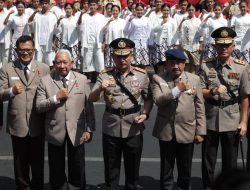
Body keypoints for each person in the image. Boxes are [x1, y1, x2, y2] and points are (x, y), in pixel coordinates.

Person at [89, 38, 152, 190]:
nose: (122, 59)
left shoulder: (142, 75)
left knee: (133, 168)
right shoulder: (104, 75)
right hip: (111, 125)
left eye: (126, 56)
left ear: (132, 56)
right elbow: (92, 98)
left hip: (133, 126)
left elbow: (148, 98)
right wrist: (99, 88)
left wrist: (146, 113)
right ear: (113, 57)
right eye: (118, 56)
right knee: (111, 168)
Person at [36, 49, 96, 190]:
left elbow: (89, 107)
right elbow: (39, 106)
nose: (62, 66)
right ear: (53, 64)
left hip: (77, 131)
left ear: (72, 63)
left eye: (65, 62)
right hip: (55, 131)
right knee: (56, 169)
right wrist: (56, 98)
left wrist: (89, 129)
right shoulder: (45, 81)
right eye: (58, 62)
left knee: (77, 167)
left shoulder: (82, 79)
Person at [200, 27, 249, 189]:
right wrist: (212, 91)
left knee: (230, 162)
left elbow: (245, 97)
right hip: (210, 117)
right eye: (220, 45)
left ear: (233, 46)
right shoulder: (206, 66)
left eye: (227, 45)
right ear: (215, 46)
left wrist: (244, 122)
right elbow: (199, 91)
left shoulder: (241, 67)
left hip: (232, 118)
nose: (223, 48)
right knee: (208, 161)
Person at [151, 49, 206, 190]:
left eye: (179, 63)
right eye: (172, 63)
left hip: (187, 130)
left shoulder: (194, 79)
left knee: (185, 169)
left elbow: (199, 106)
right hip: (166, 131)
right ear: (167, 64)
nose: (175, 66)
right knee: (166, 170)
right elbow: (158, 100)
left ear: (184, 64)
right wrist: (177, 90)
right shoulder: (158, 78)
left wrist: (200, 131)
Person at [0, 35, 50, 190]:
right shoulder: (7, 68)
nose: (25, 53)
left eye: (28, 50)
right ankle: (23, 187)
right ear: (16, 51)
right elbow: (0, 94)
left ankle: (37, 186)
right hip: (18, 121)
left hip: (37, 121)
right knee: (20, 161)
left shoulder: (44, 68)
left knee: (37, 160)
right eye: (21, 50)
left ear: (34, 50)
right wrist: (11, 91)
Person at [78, 0, 106, 82]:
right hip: (87, 43)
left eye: (94, 5)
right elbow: (78, 25)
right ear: (89, 6)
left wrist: (104, 42)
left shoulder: (101, 17)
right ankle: (89, 81)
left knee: (99, 63)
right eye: (91, 5)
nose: (92, 6)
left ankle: (99, 81)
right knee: (87, 63)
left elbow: (105, 30)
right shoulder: (84, 16)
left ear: (97, 6)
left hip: (98, 43)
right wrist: (81, 14)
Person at [28, 0, 57, 67]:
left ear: (49, 5)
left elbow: (55, 31)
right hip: (38, 43)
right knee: (38, 63)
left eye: (46, 3)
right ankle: (39, 77)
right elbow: (29, 22)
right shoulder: (37, 15)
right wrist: (34, 12)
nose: (44, 5)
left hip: (49, 43)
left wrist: (53, 42)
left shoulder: (52, 16)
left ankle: (50, 77)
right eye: (43, 3)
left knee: (50, 63)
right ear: (40, 5)